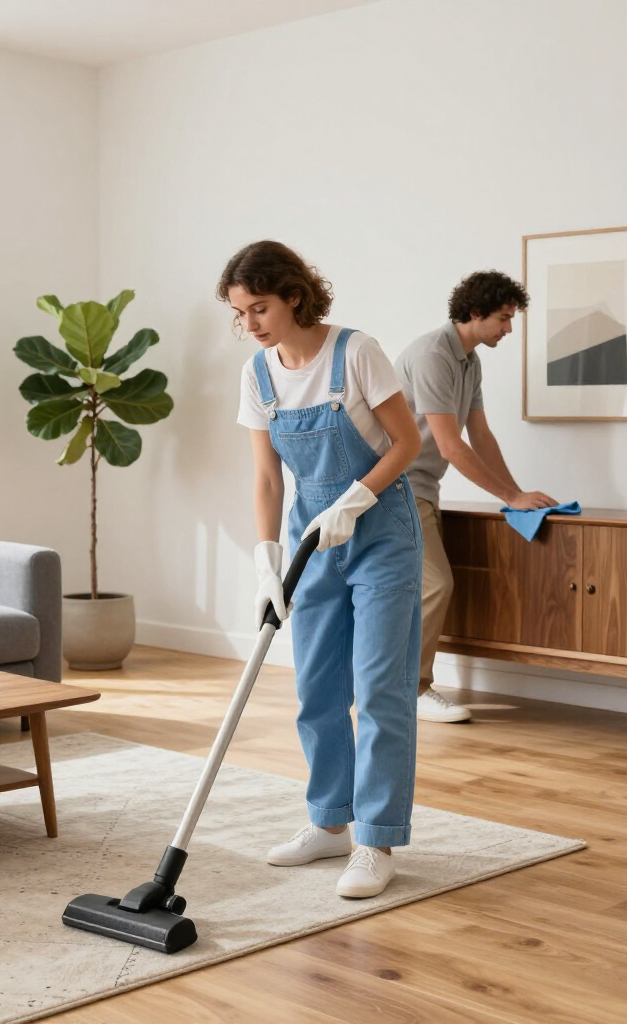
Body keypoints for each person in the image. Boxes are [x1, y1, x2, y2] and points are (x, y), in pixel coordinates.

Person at [221, 240, 423, 899]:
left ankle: (375, 839)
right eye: (239, 313)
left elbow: (407, 443)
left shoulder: (356, 352)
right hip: (308, 543)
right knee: (317, 689)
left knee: (381, 687)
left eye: (259, 308)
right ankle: (329, 822)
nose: (250, 324)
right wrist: (266, 562)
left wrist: (358, 497)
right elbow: (265, 478)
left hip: (381, 534)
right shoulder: (257, 374)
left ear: (295, 296)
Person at [394, 270, 557, 724]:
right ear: (474, 313)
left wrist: (517, 494)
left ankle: (398, 686)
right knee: (435, 585)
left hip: (424, 488)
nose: (508, 329)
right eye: (503, 319)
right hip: (397, 487)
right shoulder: (432, 356)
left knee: (419, 589)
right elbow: (450, 445)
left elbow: (480, 435)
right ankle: (413, 691)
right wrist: (509, 494)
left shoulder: (469, 361)